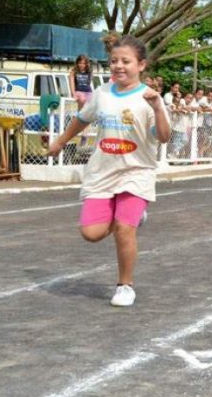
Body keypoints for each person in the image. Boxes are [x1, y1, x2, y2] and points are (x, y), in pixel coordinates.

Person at [47, 35, 170, 307]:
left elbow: (163, 136)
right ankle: (136, 217)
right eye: (114, 61)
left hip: (136, 171)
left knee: (125, 228)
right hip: (102, 171)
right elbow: (81, 120)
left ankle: (125, 285)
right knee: (90, 233)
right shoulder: (101, 93)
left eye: (126, 61)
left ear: (141, 65)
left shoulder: (148, 98)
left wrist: (159, 108)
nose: (119, 66)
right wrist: (59, 142)